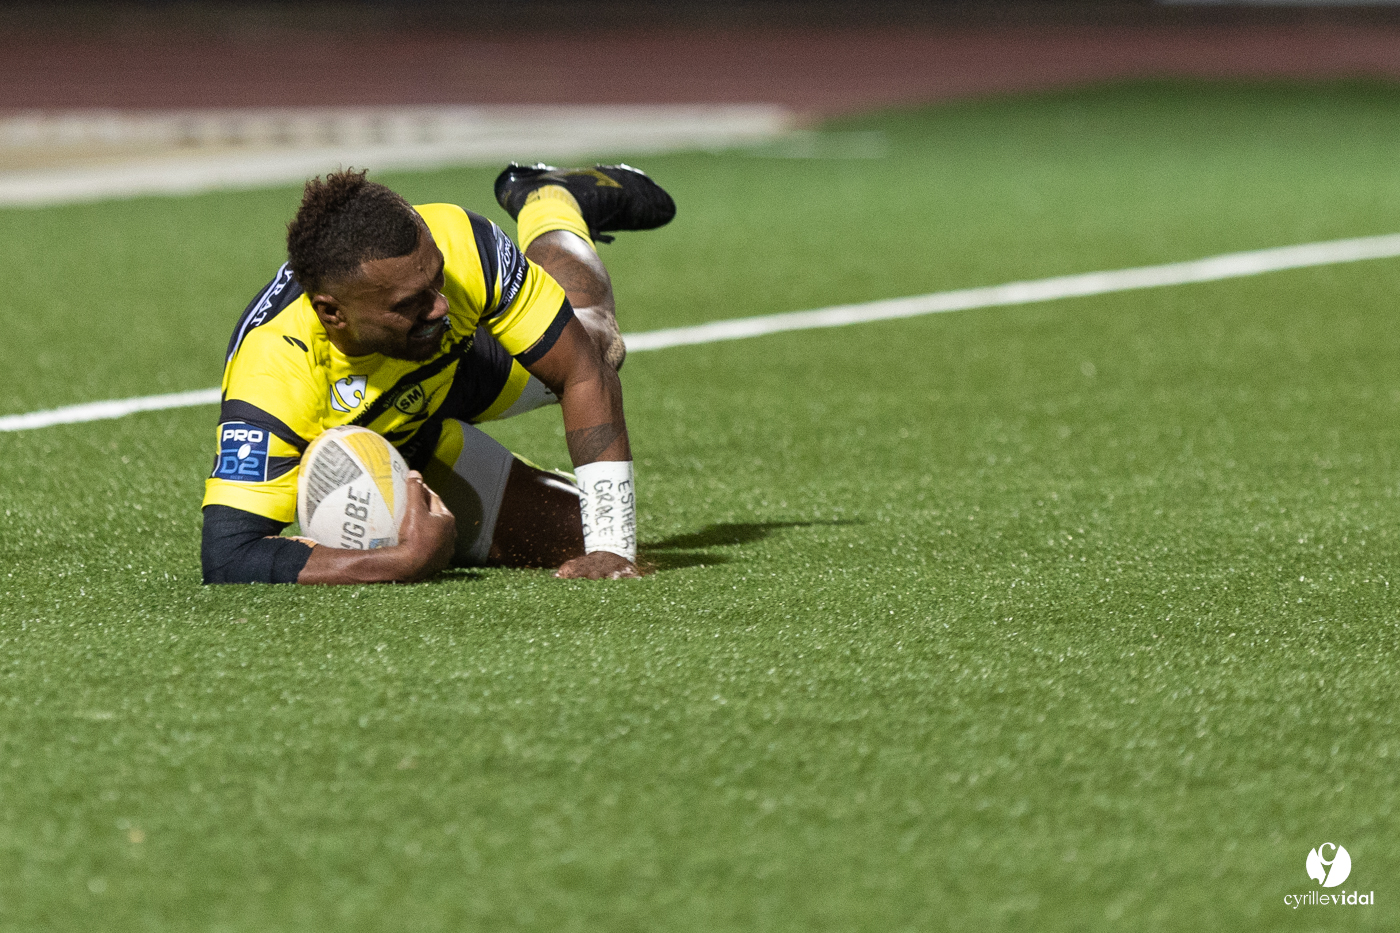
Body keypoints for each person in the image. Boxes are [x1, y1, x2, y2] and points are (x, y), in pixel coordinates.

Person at [200, 162, 675, 584]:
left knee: (597, 345)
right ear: (333, 313)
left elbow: (582, 373)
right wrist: (402, 561)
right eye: (411, 302)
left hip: (458, 363)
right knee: (568, 536)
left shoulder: (459, 240)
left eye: (438, 278)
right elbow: (229, 555)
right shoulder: (273, 373)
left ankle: (550, 200)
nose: (441, 304)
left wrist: (612, 546)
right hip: (403, 451)